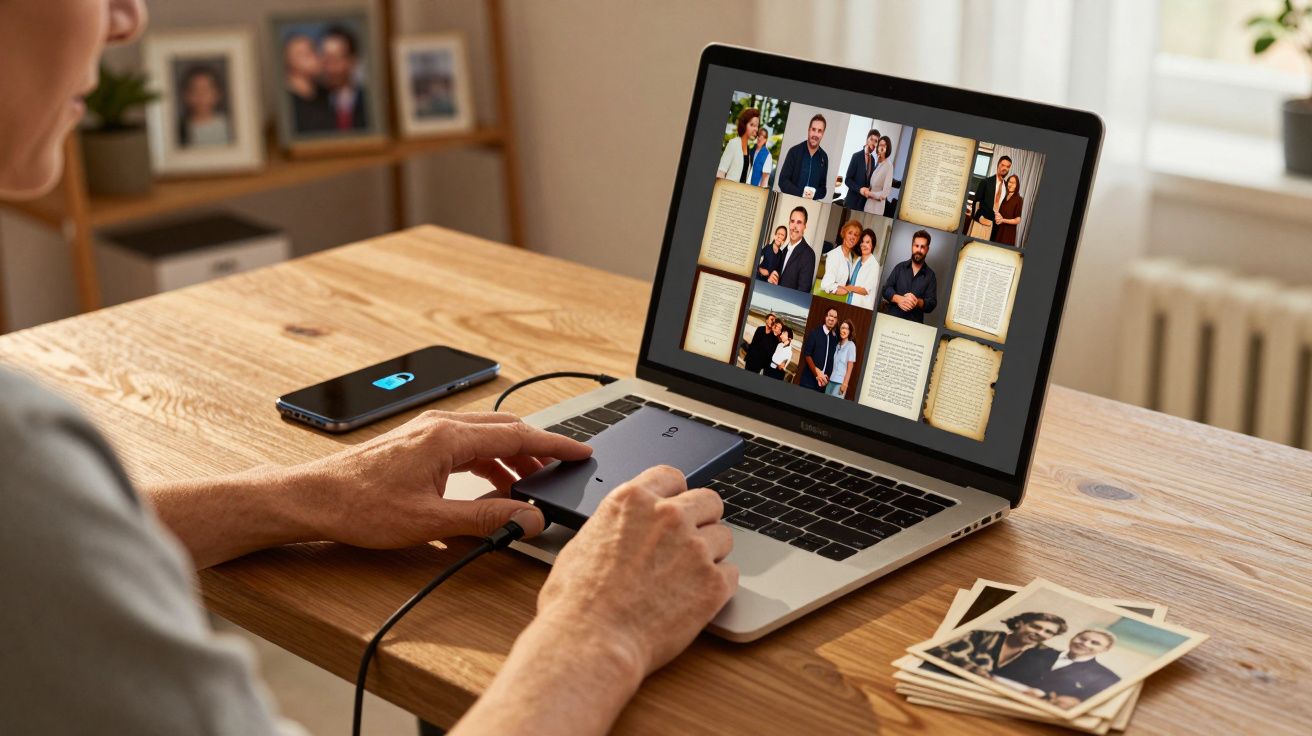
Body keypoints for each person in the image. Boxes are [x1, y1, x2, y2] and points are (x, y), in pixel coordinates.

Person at [0, 3, 738, 734]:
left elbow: (36, 551)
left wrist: (307, 497)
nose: (129, 18)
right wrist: (601, 632)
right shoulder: (21, 449)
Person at [924, 612, 1068, 685]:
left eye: (1048, 632)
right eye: (1035, 626)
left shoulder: (1046, 655)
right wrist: (973, 669)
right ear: (1019, 623)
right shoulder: (979, 636)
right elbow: (937, 652)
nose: (1040, 633)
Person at [1027, 629, 1122, 709]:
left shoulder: (1107, 678)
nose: (1085, 644)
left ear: (1104, 650)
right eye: (1082, 638)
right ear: (1073, 638)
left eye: (1095, 643)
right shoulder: (1038, 652)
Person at [880, 229, 938, 323]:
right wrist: (899, 299)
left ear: (927, 249)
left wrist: (917, 302)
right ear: (912, 246)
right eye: (916, 246)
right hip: (892, 320)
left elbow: (932, 303)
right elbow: (885, 289)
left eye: (922, 247)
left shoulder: (931, 275)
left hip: (913, 324)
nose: (919, 250)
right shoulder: (900, 267)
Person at [283, 33, 334, 133]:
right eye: (305, 54)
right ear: (288, 61)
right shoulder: (287, 104)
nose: (316, 57)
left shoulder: (327, 93)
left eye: (314, 51)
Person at [320, 24, 368, 131]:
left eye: (335, 60)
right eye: (325, 59)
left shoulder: (368, 102)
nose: (328, 68)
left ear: (352, 61)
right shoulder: (313, 101)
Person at [176, 65, 231, 147]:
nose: (201, 96)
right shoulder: (179, 131)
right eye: (194, 91)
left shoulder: (229, 126)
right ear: (185, 95)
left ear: (218, 94)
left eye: (206, 90)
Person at [776, 113, 828, 199]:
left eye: (819, 131)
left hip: (811, 205)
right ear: (809, 130)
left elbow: (823, 189)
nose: (815, 134)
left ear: (823, 134)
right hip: (790, 201)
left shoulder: (824, 158)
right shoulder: (794, 152)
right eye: (813, 129)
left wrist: (814, 194)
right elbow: (783, 181)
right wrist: (801, 193)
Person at [767, 206, 816, 293]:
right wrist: (770, 278)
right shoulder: (784, 250)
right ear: (789, 223)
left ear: (804, 226)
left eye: (799, 222)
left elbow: (803, 292)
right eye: (792, 221)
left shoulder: (809, 254)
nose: (794, 226)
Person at [967, 154, 1012, 240]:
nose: (1005, 168)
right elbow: (976, 201)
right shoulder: (986, 182)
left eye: (1008, 166)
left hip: (996, 227)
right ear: (998, 165)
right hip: (981, 224)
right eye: (1002, 165)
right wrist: (979, 218)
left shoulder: (1007, 187)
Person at [799, 307, 840, 392]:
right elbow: (807, 355)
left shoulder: (834, 338)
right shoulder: (815, 333)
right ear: (825, 317)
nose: (832, 319)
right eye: (830, 315)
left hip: (822, 386)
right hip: (808, 382)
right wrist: (817, 373)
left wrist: (827, 378)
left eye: (835, 317)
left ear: (836, 321)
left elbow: (831, 360)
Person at [716, 107, 759, 184]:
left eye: (757, 126)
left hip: (739, 194)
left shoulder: (749, 150)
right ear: (744, 125)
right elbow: (720, 173)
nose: (755, 129)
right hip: (727, 193)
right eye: (752, 125)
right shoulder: (733, 144)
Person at [821, 219, 861, 297]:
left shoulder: (850, 257)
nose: (853, 237)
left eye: (856, 235)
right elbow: (826, 285)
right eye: (850, 233)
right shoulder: (834, 255)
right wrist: (845, 291)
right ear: (843, 233)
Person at [843, 129, 879, 210]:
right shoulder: (856, 156)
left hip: (863, 205)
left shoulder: (873, 160)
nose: (873, 143)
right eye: (871, 139)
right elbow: (847, 180)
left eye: (876, 141)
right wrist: (860, 189)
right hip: (851, 203)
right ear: (867, 139)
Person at [846, 228, 880, 310]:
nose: (864, 245)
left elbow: (866, 290)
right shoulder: (858, 260)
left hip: (862, 306)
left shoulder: (874, 265)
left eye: (867, 242)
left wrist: (850, 288)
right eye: (862, 242)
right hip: (849, 301)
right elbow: (851, 280)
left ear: (872, 245)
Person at [862, 135, 895, 216]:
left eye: (884, 145)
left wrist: (869, 194)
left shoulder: (889, 166)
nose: (881, 147)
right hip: (868, 204)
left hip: (876, 208)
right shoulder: (877, 162)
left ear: (888, 148)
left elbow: (885, 193)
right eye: (880, 145)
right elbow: (872, 184)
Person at [825, 319, 857, 398]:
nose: (843, 330)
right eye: (842, 328)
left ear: (849, 331)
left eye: (846, 328)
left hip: (840, 383)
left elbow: (850, 368)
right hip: (831, 381)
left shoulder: (851, 345)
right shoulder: (838, 344)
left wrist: (845, 383)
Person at [992, 173, 1023, 246]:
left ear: (1017, 185)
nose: (1011, 184)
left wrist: (1002, 220)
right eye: (1009, 182)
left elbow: (1018, 220)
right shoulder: (1003, 196)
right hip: (997, 229)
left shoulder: (1019, 199)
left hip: (1008, 233)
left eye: (1013, 183)